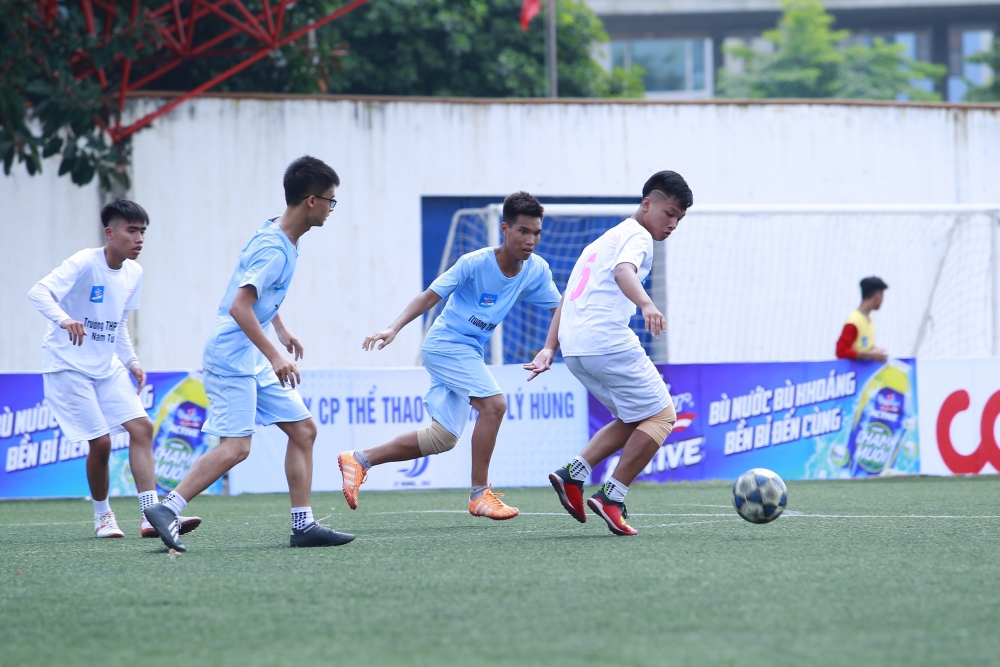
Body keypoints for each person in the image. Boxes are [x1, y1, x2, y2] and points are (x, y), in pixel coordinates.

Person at [144, 156, 353, 551]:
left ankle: (303, 525)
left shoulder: (279, 234)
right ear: (310, 201)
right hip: (231, 355)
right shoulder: (273, 248)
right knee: (237, 447)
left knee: (303, 430)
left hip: (251, 354)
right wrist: (276, 355)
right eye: (330, 200)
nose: (331, 208)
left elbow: (260, 297)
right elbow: (240, 307)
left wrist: (281, 328)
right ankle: (167, 508)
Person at [338, 191, 562, 520]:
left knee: (442, 438)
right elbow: (430, 296)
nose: (531, 240)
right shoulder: (475, 263)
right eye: (523, 231)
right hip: (445, 345)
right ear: (504, 229)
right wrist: (393, 327)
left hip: (470, 351)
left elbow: (562, 306)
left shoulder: (535, 269)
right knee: (495, 406)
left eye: (537, 232)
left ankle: (359, 459)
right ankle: (479, 495)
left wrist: (549, 348)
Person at [524, 171, 693, 536]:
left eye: (680, 217)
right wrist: (647, 304)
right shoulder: (637, 236)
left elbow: (567, 297)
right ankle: (612, 496)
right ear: (647, 203)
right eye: (670, 212)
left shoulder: (600, 241)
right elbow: (623, 272)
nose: (673, 223)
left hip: (576, 349)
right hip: (605, 341)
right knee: (663, 416)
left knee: (635, 417)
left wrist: (550, 347)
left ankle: (573, 474)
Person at [27, 200, 200, 539]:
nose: (139, 238)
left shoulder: (134, 273)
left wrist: (131, 360)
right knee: (102, 443)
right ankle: (103, 516)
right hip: (68, 366)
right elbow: (38, 292)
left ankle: (152, 516)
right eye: (131, 230)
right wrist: (64, 319)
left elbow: (118, 323)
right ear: (110, 232)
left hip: (106, 368)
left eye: (142, 232)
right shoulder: (84, 262)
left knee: (142, 428)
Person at [836, 277, 889, 362]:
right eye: (882, 295)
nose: (883, 300)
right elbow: (841, 351)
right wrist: (871, 355)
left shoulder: (870, 320)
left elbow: (861, 346)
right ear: (878, 295)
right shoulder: (853, 321)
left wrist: (874, 349)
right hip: (854, 374)